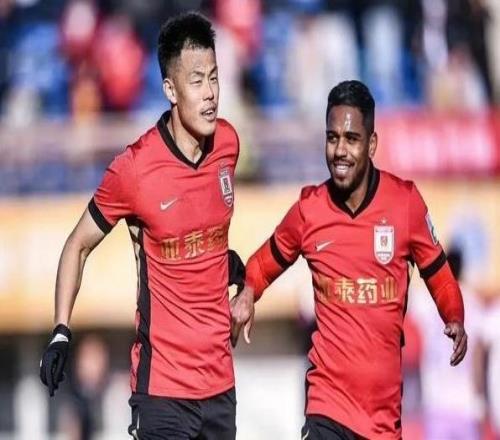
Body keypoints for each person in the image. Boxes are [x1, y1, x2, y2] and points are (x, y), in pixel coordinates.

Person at [40, 12, 245, 440]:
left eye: (214, 78)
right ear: (170, 89)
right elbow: (77, 244)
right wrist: (61, 330)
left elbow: (199, 234)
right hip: (163, 394)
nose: (210, 93)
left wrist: (230, 266)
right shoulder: (134, 169)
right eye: (196, 81)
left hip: (221, 388)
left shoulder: (228, 144)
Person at [230, 80, 467, 439]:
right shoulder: (310, 209)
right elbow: (264, 263)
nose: (339, 150)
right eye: (332, 138)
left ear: (371, 144)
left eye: (351, 139)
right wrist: (248, 292)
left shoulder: (404, 204)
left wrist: (454, 316)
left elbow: (440, 275)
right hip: (326, 406)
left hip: (382, 419)